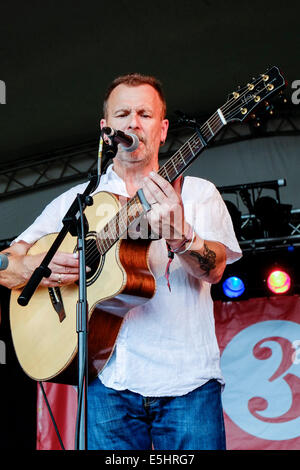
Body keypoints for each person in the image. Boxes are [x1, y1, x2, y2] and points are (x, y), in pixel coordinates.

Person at [0, 73, 242, 450]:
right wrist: (32, 268)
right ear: (105, 129)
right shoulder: (77, 201)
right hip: (107, 381)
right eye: (123, 113)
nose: (133, 123)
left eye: (145, 114)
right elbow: (6, 263)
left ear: (162, 130)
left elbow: (216, 269)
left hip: (187, 383)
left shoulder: (198, 193)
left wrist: (181, 236)